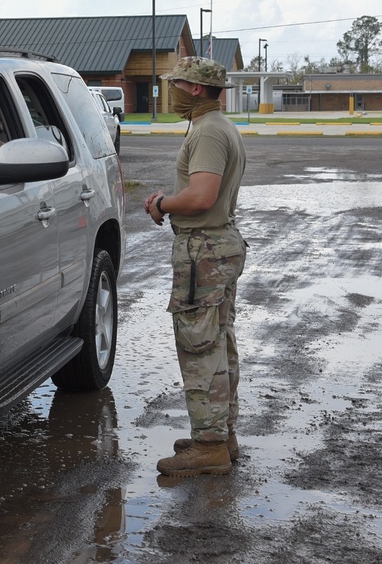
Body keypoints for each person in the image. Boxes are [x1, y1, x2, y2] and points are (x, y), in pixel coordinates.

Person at [143, 56, 248, 477]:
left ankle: (209, 447)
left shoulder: (208, 132)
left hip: (203, 249)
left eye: (178, 85)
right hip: (218, 244)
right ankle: (222, 436)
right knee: (219, 342)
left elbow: (201, 196)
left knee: (200, 346)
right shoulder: (219, 127)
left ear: (197, 89)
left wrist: (162, 204)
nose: (171, 92)